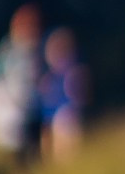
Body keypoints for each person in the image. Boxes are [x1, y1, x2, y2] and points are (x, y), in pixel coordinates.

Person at [0, 3, 45, 160]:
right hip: (13, 109)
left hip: (34, 108)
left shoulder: (41, 49)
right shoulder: (8, 49)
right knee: (15, 149)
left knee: (33, 150)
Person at [38, 27, 92, 160]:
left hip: (67, 119)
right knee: (51, 154)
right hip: (50, 119)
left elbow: (80, 97)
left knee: (66, 154)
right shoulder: (49, 76)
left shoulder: (73, 72)